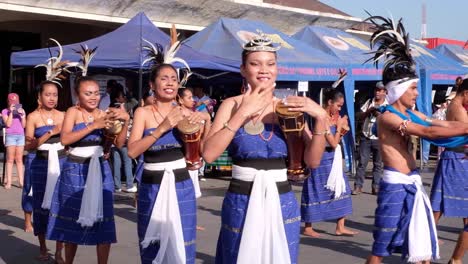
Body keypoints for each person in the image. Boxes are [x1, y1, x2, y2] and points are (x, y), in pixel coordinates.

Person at [202, 33, 328, 264]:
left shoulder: (289, 107)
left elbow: (313, 161)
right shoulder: (231, 105)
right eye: (255, 63)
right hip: (241, 197)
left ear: (277, 69)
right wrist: (242, 113)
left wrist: (320, 118)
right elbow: (208, 154)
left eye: (270, 64)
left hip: (281, 198)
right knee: (237, 255)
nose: (264, 70)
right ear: (243, 69)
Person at [364, 15, 468, 264]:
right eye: (412, 88)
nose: (416, 93)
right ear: (399, 89)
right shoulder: (387, 116)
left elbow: (440, 124)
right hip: (395, 185)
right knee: (380, 252)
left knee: (421, 249)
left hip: (413, 182)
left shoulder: (412, 113)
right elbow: (429, 134)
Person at [127, 35, 199, 264]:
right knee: (152, 243)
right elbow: (132, 151)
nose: (169, 83)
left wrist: (201, 130)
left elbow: (199, 153)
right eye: (164, 78)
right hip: (152, 184)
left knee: (182, 241)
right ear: (152, 84)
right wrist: (163, 127)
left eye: (173, 79)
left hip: (181, 183)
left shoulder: (186, 113)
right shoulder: (143, 113)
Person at [46, 76, 129, 264]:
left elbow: (119, 143)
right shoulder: (73, 112)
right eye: (88, 93)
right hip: (74, 169)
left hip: (100, 168)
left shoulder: (105, 112)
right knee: (71, 219)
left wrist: (125, 122)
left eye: (96, 93)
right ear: (78, 94)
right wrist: (94, 125)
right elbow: (65, 139)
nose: (93, 97)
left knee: (105, 220)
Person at [301, 88, 357, 238]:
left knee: (341, 189)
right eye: (338, 105)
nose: (339, 108)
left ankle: (340, 226)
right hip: (320, 158)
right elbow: (333, 142)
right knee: (314, 189)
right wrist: (339, 127)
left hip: (333, 159)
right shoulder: (322, 118)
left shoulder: (333, 117)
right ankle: (308, 226)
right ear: (329, 102)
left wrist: (342, 127)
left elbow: (337, 140)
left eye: (341, 106)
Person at [23, 81, 65, 263]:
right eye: (47, 94)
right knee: (40, 205)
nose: (51, 98)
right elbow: (28, 145)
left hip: (62, 161)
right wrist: (50, 133)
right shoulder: (33, 117)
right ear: (39, 97)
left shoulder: (64, 115)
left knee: (60, 204)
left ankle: (59, 251)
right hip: (40, 162)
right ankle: (42, 246)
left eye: (54, 94)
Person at [430, 77, 468, 232]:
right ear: (466, 93)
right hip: (456, 157)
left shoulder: (458, 106)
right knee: (438, 203)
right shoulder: (457, 107)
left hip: (457, 157)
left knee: (444, 202)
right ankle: (427, 236)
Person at [178, 87, 212, 231]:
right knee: (181, 194)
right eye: (189, 98)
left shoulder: (196, 114)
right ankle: (181, 222)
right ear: (180, 99)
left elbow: (205, 137)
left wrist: (208, 119)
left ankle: (191, 221)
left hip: (195, 156)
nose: (193, 101)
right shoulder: (177, 115)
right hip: (182, 159)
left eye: (193, 97)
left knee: (191, 195)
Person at [353, 82, 388, 195]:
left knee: (378, 164)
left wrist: (380, 115)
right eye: (376, 90)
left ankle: (376, 187)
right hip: (366, 135)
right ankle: (358, 186)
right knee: (362, 162)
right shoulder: (369, 102)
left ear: (385, 92)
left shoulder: (388, 105)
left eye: (380, 90)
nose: (377, 92)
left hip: (379, 138)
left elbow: (390, 120)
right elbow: (359, 116)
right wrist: (369, 111)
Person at [110, 88, 139, 193]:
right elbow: (135, 101)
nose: (124, 98)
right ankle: (129, 185)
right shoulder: (124, 106)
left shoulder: (111, 109)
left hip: (113, 142)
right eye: (123, 96)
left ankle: (117, 186)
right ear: (118, 97)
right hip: (124, 141)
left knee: (117, 164)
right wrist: (129, 94)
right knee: (127, 162)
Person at [2, 93, 26, 189]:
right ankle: (9, 182)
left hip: (20, 136)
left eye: (16, 102)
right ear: (8, 102)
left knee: (19, 159)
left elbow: (24, 126)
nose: (14, 104)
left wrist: (23, 115)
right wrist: (11, 113)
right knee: (10, 159)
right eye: (12, 102)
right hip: (10, 136)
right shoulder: (4, 111)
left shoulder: (22, 111)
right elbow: (8, 124)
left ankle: (21, 181)